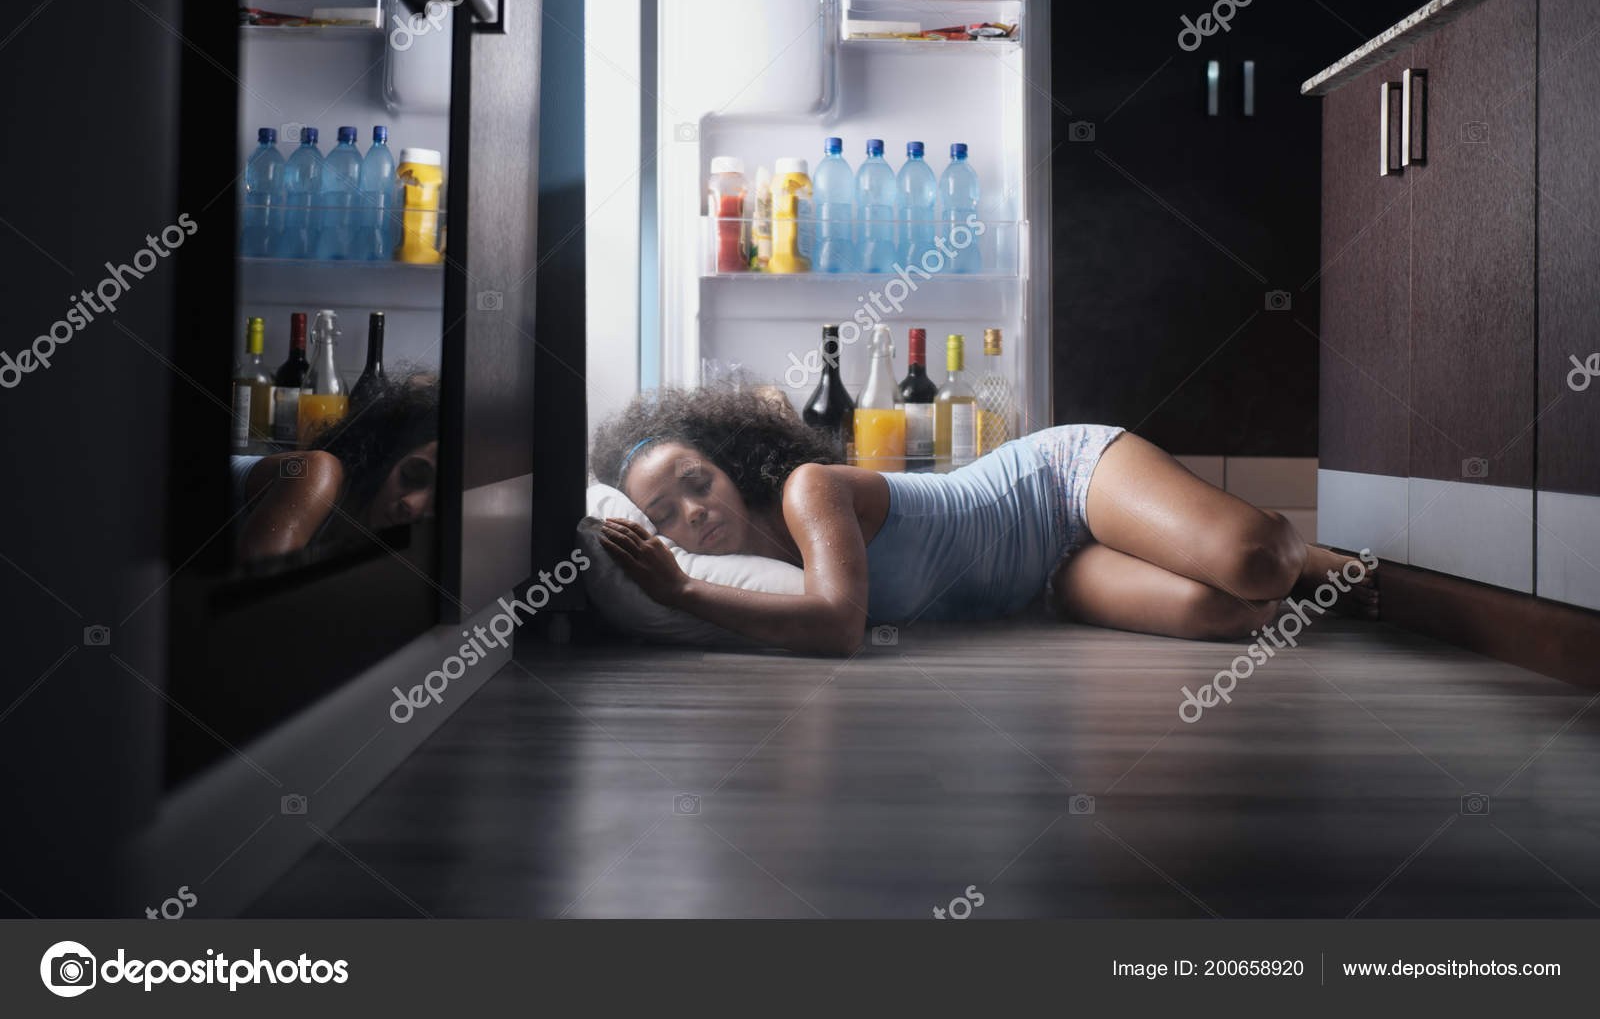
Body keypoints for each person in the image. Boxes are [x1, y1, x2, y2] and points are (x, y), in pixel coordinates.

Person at [591, 384, 1377, 655]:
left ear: (728, 462)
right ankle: (1302, 572)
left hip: (1059, 482)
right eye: (666, 515)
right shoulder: (758, 576)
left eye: (697, 481)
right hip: (1054, 579)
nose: (695, 512)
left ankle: (1342, 563)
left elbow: (837, 628)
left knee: (1257, 564)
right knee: (1227, 615)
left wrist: (680, 593)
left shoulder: (806, 489)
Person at [231, 377, 440, 563]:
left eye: (437, 502)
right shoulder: (318, 472)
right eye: (412, 475)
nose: (411, 504)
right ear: (390, 457)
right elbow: (257, 592)